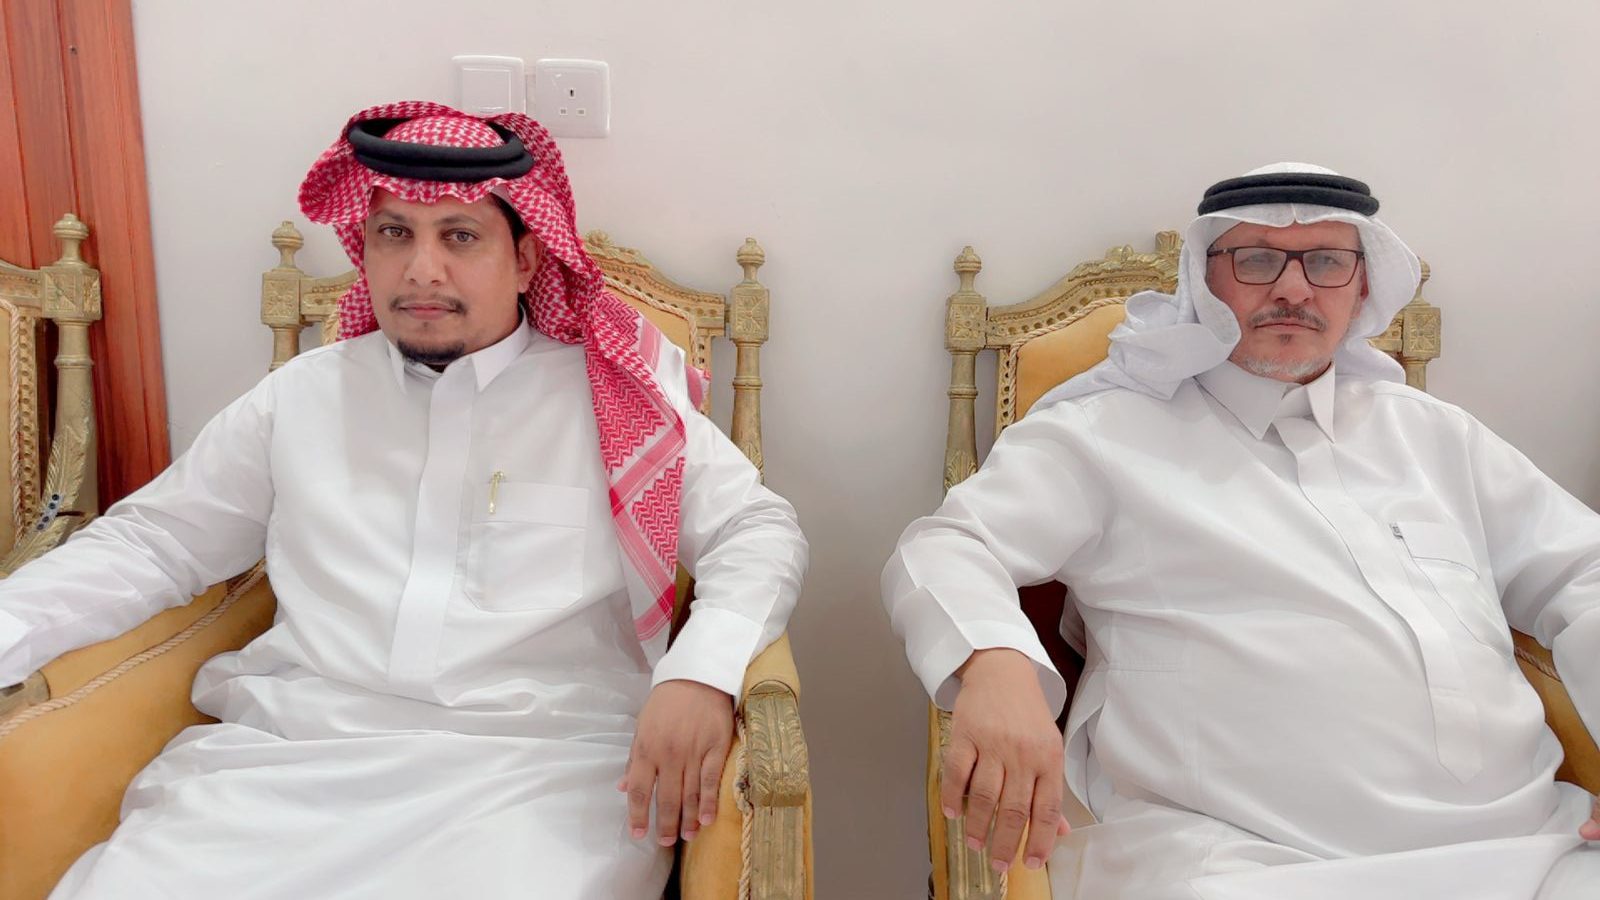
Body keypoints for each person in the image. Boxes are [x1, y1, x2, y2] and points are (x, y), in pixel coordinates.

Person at [0, 100, 808, 899]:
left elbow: (756, 528)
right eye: (394, 234)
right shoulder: (302, 396)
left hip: (539, 776)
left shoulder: (612, 403)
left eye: (460, 236)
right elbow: (156, 544)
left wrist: (701, 673)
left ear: (527, 258)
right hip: (284, 764)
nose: (423, 269)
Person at [882, 163, 1600, 898]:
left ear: (1361, 288)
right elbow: (946, 547)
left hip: (1537, 845)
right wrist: (996, 666)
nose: (1294, 289)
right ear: (1205, 281)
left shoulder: (1436, 435)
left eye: (1326, 262)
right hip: (1244, 862)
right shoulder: (1105, 436)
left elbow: (1585, 570)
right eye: (1257, 260)